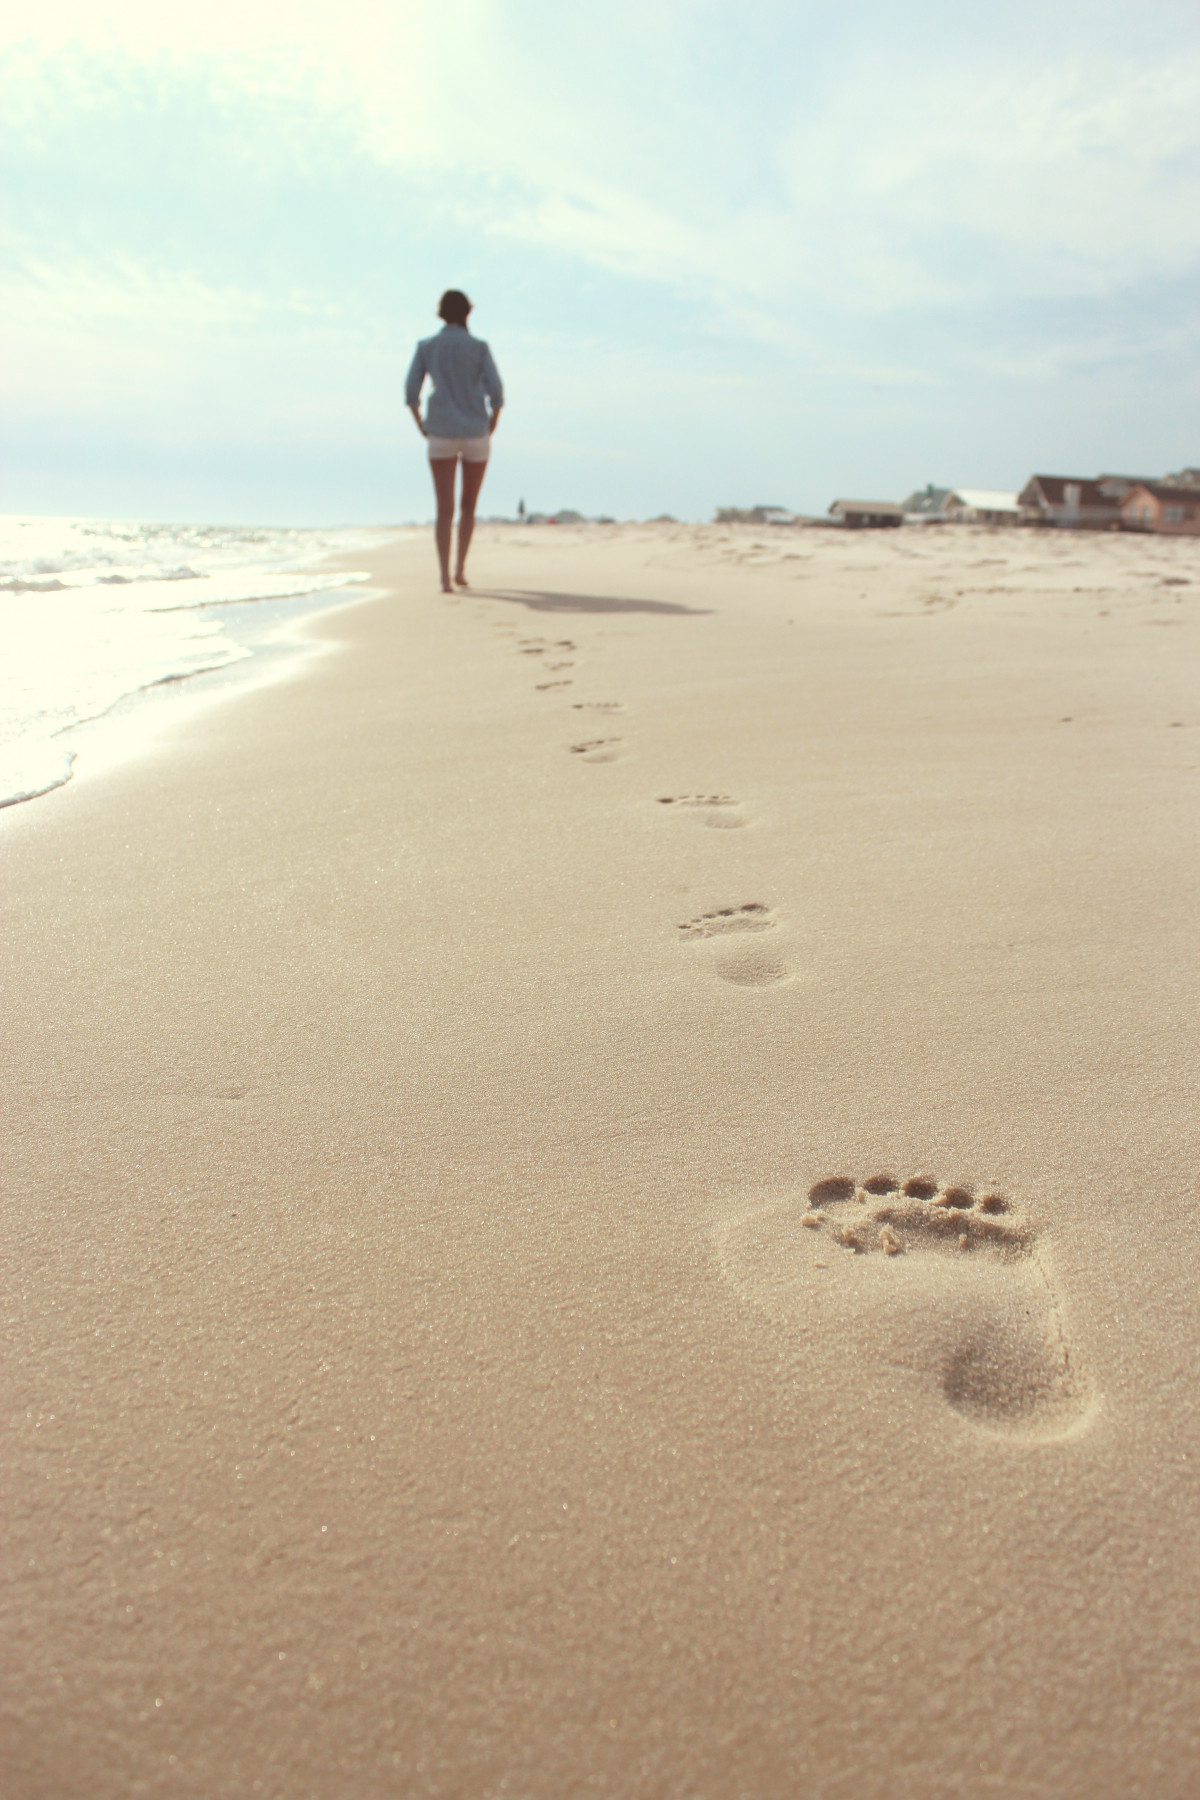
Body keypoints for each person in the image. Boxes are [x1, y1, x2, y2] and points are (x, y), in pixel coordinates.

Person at [405, 291, 504, 592]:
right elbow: (497, 392)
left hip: (440, 431)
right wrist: (492, 424)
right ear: (467, 313)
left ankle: (444, 578)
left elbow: (411, 393)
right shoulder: (478, 347)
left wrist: (421, 424)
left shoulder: (427, 346)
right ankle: (460, 569)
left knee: (444, 509)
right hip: (476, 429)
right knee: (468, 507)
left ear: (441, 313)